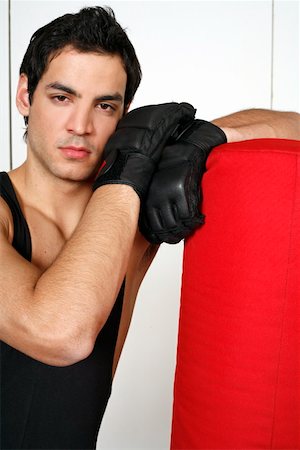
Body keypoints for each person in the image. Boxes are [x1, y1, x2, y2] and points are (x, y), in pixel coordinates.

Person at [0, 6, 299, 450]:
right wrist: (127, 172)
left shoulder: (126, 212)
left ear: (125, 116)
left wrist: (204, 137)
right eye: (61, 97)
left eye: (105, 106)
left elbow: (292, 129)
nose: (81, 127)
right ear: (26, 94)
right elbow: (60, 333)